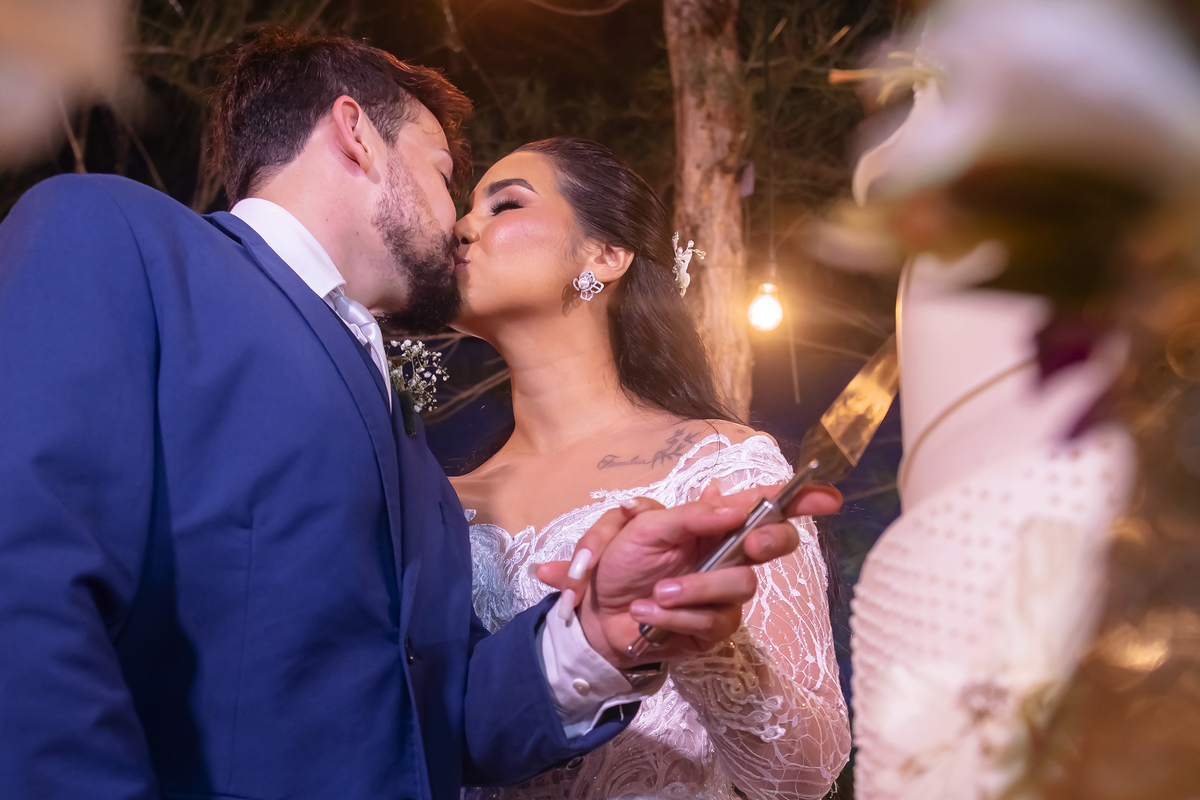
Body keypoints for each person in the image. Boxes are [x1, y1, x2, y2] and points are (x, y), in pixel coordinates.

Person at [0, 31, 840, 800]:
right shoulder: (120, 238)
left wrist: (606, 631)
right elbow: (24, 578)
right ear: (356, 134)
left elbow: (432, 717)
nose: (460, 224)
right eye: (447, 177)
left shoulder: (412, 460)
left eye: (495, 202)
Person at [449, 137, 852, 800]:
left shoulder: (717, 466)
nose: (463, 226)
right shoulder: (436, 504)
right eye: (467, 208)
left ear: (604, 255)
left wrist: (707, 648)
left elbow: (806, 775)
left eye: (503, 205)